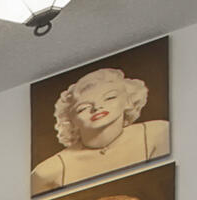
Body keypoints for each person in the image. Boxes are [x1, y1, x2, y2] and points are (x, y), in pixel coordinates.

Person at [35, 65, 172, 192]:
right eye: (83, 107)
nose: (97, 107)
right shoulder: (48, 171)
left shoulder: (157, 134)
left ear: (128, 101)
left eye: (109, 97)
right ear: (70, 120)